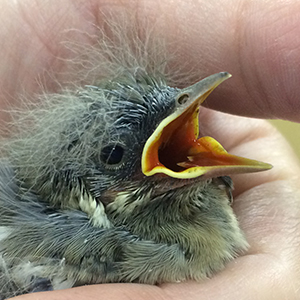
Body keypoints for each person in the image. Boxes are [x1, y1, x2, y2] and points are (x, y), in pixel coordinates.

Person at [2, 0, 299, 299]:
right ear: (83, 194)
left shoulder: (212, 191)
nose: (186, 100)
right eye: (115, 155)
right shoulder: (88, 251)